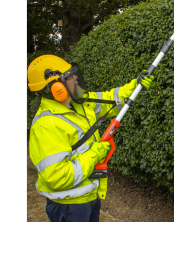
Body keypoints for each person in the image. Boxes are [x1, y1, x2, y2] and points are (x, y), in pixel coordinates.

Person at [27, 54, 154, 222]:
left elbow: (112, 99)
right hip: (69, 206)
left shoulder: (81, 104)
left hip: (89, 197)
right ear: (57, 88)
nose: (75, 77)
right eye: (69, 76)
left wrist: (135, 86)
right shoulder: (47, 125)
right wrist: (94, 154)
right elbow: (57, 177)